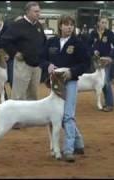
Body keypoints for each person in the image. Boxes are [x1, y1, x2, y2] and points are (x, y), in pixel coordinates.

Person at [40, 15, 90, 162]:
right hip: (55, 83)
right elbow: (41, 58)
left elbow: (85, 63)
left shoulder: (78, 43)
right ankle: (78, 142)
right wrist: (47, 66)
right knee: (61, 116)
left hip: (70, 82)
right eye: (66, 24)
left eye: (71, 25)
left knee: (67, 115)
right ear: (60, 26)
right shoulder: (51, 42)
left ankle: (69, 149)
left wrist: (72, 72)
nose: (69, 27)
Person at [1, 1, 46, 100]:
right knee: (19, 94)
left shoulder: (38, 25)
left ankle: (31, 115)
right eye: (35, 11)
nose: (38, 14)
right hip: (23, 64)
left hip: (37, 65)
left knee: (33, 94)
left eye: (39, 11)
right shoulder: (18, 25)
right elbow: (4, 40)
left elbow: (43, 41)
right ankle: (15, 114)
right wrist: (15, 52)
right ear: (27, 12)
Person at [88, 16, 114, 112]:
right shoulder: (93, 33)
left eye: (105, 23)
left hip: (106, 61)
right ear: (98, 23)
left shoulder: (109, 33)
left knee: (106, 82)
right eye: (102, 22)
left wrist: (110, 57)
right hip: (96, 61)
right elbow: (87, 45)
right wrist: (93, 51)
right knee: (100, 82)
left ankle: (110, 104)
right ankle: (104, 103)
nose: (104, 24)